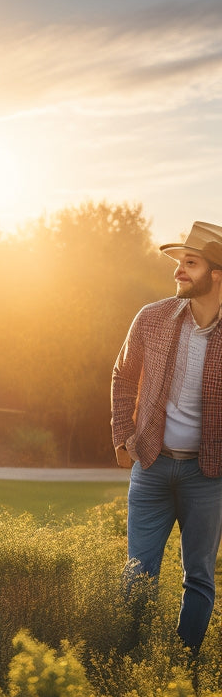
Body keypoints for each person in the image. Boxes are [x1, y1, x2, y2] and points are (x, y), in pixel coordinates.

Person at [111, 220, 222, 653]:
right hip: (152, 465)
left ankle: (179, 671)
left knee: (198, 576)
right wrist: (123, 439)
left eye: (189, 263)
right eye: (178, 262)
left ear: (217, 274)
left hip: (207, 475)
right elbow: (123, 375)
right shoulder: (152, 318)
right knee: (137, 572)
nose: (178, 271)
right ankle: (125, 661)